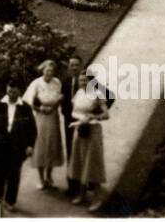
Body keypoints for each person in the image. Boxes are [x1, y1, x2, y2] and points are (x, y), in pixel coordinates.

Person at [68, 66, 111, 210]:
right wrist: (80, 120)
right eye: (80, 80)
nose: (82, 82)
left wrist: (92, 116)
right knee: (80, 161)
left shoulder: (98, 93)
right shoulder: (79, 92)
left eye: (85, 79)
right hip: (79, 129)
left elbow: (106, 115)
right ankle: (82, 195)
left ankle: (97, 199)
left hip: (93, 130)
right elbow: (74, 111)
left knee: (92, 164)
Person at [0, 82, 38, 209]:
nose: (11, 93)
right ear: (6, 90)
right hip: (0, 146)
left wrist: (30, 146)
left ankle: (10, 201)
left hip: (17, 147)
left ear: (20, 92)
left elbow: (32, 129)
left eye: (14, 91)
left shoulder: (25, 108)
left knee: (14, 175)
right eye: (9, 91)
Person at [24, 60, 66, 189]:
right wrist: (41, 109)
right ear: (42, 70)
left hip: (53, 117)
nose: (49, 73)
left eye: (52, 71)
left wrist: (53, 108)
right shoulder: (36, 83)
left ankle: (49, 176)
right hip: (41, 117)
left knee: (52, 145)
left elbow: (59, 98)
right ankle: (41, 179)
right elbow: (29, 101)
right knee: (41, 146)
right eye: (47, 71)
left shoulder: (57, 82)